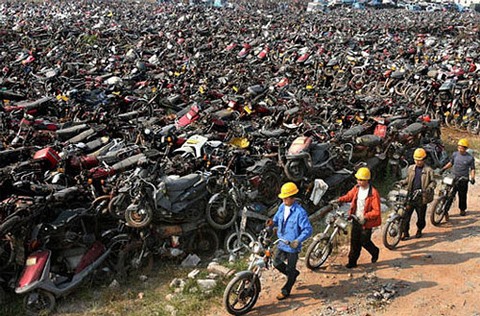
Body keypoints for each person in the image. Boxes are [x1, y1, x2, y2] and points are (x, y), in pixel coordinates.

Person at [332, 167, 381, 269]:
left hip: (365, 222)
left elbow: (376, 211)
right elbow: (349, 196)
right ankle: (352, 262)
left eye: (361, 180)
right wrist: (339, 200)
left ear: (367, 180)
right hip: (355, 219)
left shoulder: (373, 193)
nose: (359, 181)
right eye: (358, 179)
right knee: (354, 242)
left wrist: (365, 217)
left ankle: (375, 251)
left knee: (364, 241)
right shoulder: (356, 188)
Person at [271, 182, 312, 300]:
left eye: (286, 197)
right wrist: (272, 223)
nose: (283, 199)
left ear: (292, 197)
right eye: (283, 197)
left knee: (290, 268)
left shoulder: (300, 213)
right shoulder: (282, 207)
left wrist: (298, 241)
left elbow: (307, 230)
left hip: (292, 246)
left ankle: (286, 290)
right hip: (281, 242)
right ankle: (293, 275)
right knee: (276, 263)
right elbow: (276, 219)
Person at [400, 148, 436, 239]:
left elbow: (433, 182)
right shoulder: (411, 168)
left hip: (421, 197)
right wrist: (403, 182)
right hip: (411, 195)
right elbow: (408, 179)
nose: (418, 162)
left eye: (420, 160)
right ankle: (405, 232)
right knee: (406, 215)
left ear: (424, 160)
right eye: (416, 160)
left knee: (420, 216)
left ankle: (419, 230)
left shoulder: (428, 170)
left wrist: (429, 188)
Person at [441, 138, 475, 218]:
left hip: (463, 179)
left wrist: (472, 177)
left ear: (465, 148)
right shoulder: (455, 154)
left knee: (462, 195)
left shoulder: (470, 158)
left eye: (462, 148)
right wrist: (443, 169)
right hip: (454, 177)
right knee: (449, 195)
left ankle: (462, 209)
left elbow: (472, 168)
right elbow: (451, 163)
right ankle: (445, 211)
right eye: (459, 147)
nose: (460, 149)